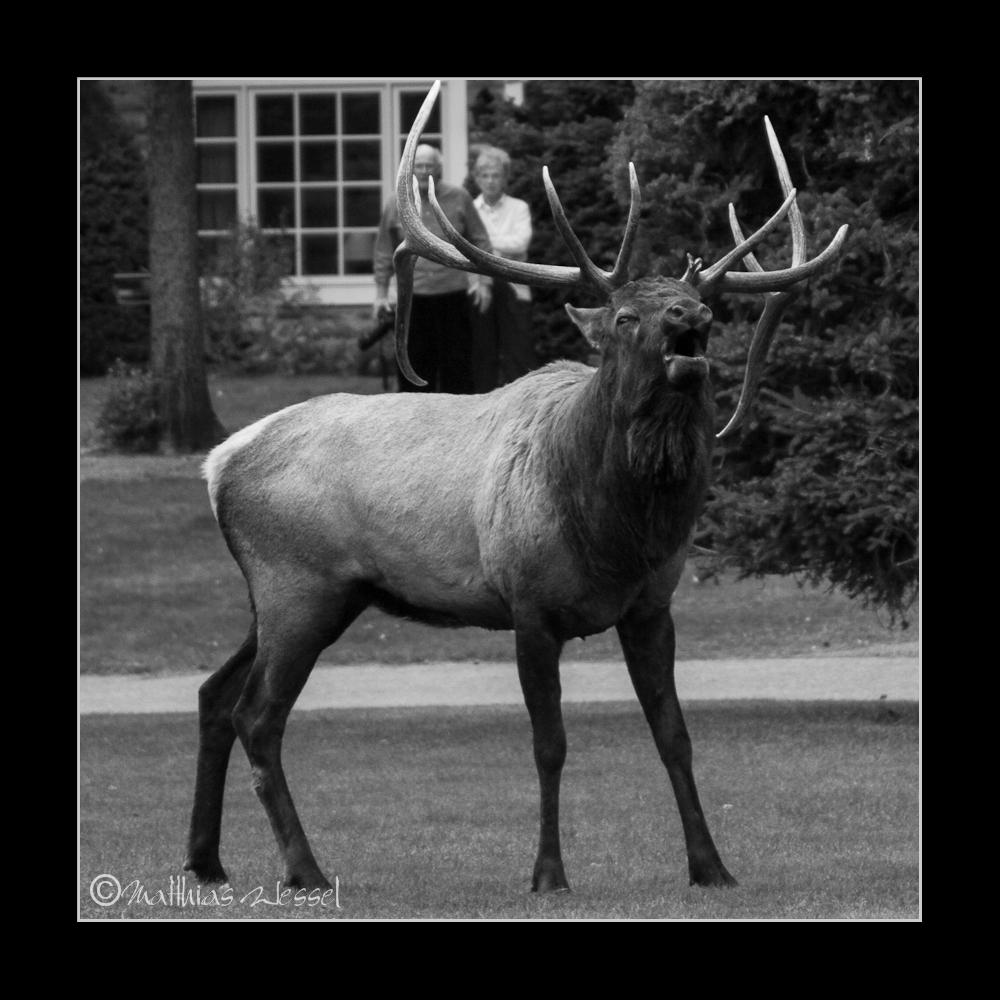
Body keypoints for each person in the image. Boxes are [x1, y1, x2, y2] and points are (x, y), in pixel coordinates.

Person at [373, 144, 492, 393]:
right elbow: (384, 251)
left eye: (429, 165)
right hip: (412, 300)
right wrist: (381, 294)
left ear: (439, 169)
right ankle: (414, 425)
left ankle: (457, 425)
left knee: (457, 368)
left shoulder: (459, 197)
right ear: (410, 169)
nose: (424, 170)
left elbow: (481, 241)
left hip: (453, 297)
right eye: (419, 165)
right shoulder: (396, 202)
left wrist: (484, 284)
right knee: (413, 369)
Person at [469, 146, 538, 392]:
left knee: (518, 355)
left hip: (515, 289)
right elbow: (463, 246)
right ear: (476, 178)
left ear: (505, 178)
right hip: (479, 290)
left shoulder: (519, 208)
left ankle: (521, 404)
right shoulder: (470, 209)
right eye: (485, 175)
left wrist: (483, 246)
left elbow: (521, 242)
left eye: (496, 175)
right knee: (482, 355)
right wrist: (500, 249)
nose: (490, 180)